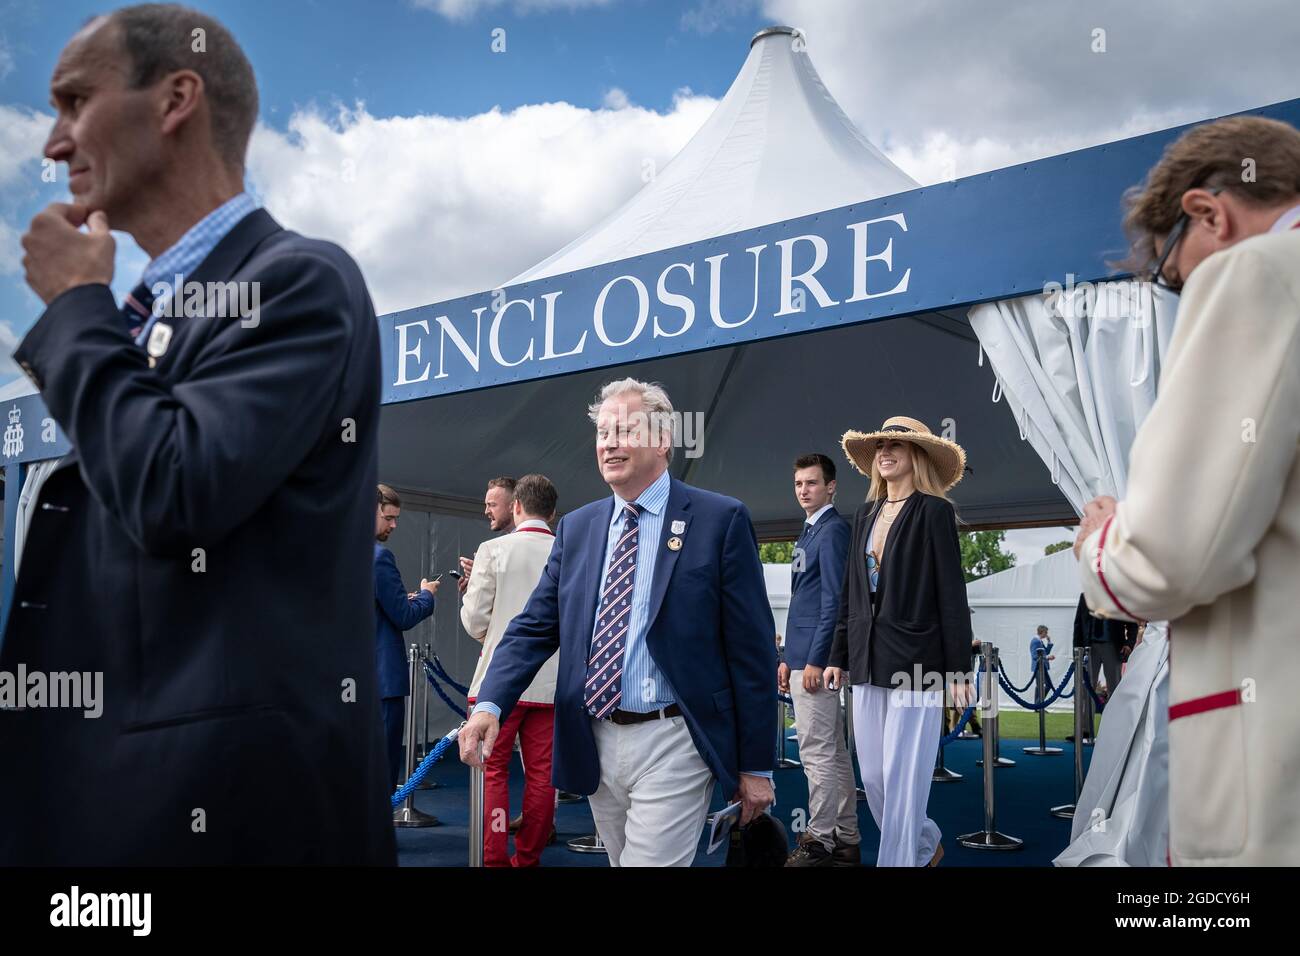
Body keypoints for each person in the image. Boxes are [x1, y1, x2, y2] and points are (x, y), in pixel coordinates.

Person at [0, 4, 393, 864]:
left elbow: (173, 489)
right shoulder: (154, 314)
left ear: (176, 98)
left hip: (222, 817)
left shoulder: (299, 280)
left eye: (74, 101)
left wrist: (73, 308)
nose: (54, 143)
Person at [1073, 115, 1300, 866]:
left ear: (1209, 213)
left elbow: (1170, 559)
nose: (1184, 290)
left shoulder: (1258, 271)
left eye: (1175, 273)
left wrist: (1102, 541)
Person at [458, 377, 776, 867]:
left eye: (625, 430)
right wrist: (491, 703)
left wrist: (756, 765)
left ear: (663, 440)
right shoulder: (579, 527)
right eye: (603, 433)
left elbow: (750, 651)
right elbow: (536, 625)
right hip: (594, 738)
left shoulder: (719, 519)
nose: (609, 442)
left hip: (676, 738)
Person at [825, 417, 973, 867]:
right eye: (882, 446)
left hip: (918, 662)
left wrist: (959, 672)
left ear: (917, 456)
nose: (886, 452)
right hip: (868, 661)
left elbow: (952, 595)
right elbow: (851, 594)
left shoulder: (934, 512)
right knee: (875, 776)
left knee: (905, 778)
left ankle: (900, 860)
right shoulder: (864, 514)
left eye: (897, 445)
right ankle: (925, 843)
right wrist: (838, 654)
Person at [461, 474, 560, 867]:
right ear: (552, 512)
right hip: (551, 683)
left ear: (516, 506)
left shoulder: (493, 549)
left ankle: (494, 858)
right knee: (542, 777)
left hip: (497, 684)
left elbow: (474, 620)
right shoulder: (567, 550)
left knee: (493, 772)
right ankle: (528, 858)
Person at [778, 453, 860, 867]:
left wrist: (815, 660)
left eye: (811, 483)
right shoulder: (808, 531)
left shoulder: (832, 531)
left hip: (815, 663)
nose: (803, 491)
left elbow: (834, 601)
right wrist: (787, 658)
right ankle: (845, 838)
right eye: (798, 484)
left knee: (816, 752)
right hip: (799, 658)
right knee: (831, 751)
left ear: (831, 487)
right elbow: (802, 601)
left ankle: (820, 838)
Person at [374, 484, 439, 793]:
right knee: (381, 767)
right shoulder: (379, 558)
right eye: (389, 517)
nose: (394, 525)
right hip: (382, 681)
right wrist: (426, 596)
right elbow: (403, 616)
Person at [457, 476, 516, 595]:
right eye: (486, 505)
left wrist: (483, 573)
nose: (486, 511)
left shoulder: (529, 543)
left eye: (492, 505)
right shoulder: (502, 546)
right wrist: (477, 581)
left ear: (513, 506)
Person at [1029, 624, 1055, 705]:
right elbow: (1034, 656)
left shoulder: (1039, 641)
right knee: (1044, 686)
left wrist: (1049, 642)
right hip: (1038, 667)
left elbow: (1046, 652)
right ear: (1042, 632)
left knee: (1039, 686)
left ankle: (1038, 706)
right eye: (1046, 632)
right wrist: (1047, 658)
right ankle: (1038, 705)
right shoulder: (1035, 641)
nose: (1047, 634)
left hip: (1042, 667)